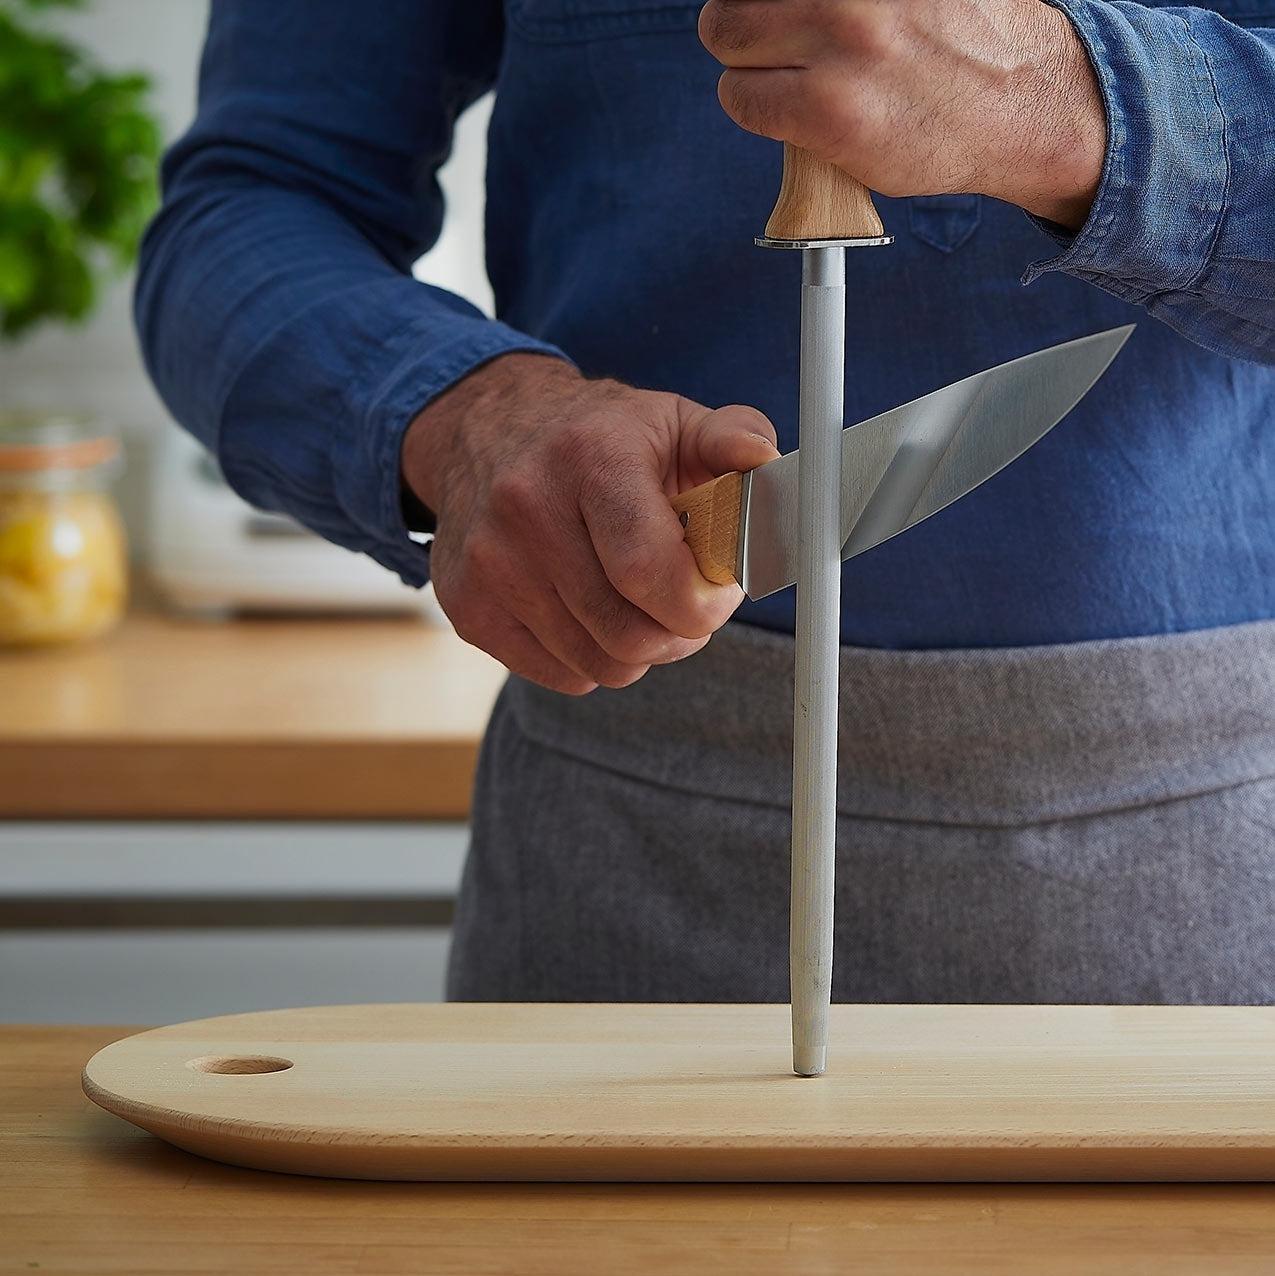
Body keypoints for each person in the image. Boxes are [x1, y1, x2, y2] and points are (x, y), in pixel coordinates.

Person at [137, 0, 1275, 1005]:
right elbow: (253, 206)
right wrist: (471, 416)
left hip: (1229, 852)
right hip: (627, 840)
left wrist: (1079, 107)